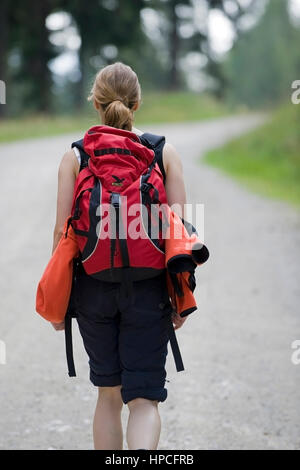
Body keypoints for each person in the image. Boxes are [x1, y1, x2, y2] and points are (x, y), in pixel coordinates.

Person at [51, 62, 188, 450]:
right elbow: (181, 236)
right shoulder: (163, 152)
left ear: (94, 102)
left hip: (93, 290)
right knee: (144, 401)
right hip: (150, 291)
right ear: (138, 103)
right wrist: (182, 296)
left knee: (109, 396)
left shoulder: (75, 157)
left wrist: (59, 301)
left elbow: (63, 237)